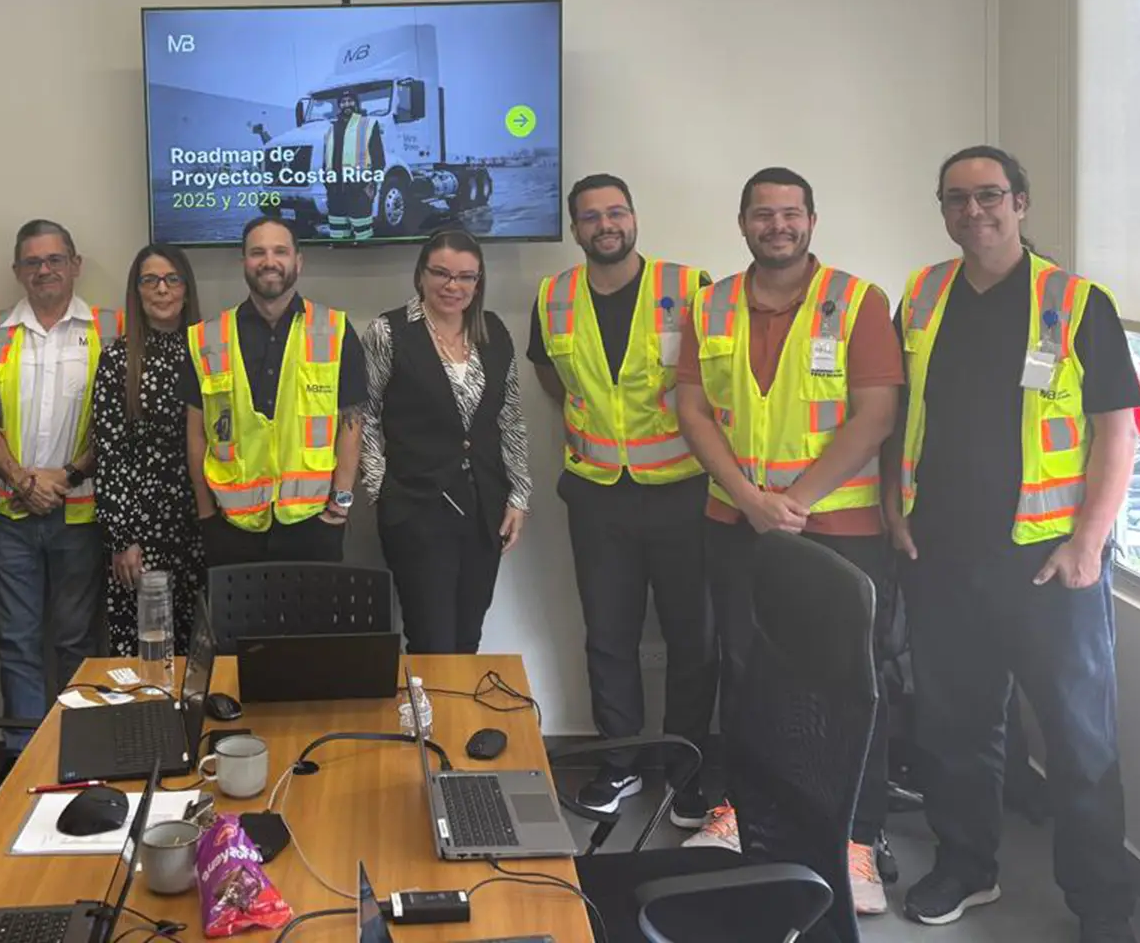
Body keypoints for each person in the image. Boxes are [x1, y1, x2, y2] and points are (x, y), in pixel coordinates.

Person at [887, 146, 1140, 942]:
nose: (974, 212)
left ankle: (1102, 907)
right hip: (942, 555)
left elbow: (1118, 432)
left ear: (1020, 203)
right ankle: (967, 867)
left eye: (990, 195)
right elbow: (900, 413)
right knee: (954, 728)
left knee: (1080, 742)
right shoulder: (922, 296)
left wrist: (1088, 542)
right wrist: (895, 507)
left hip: (1049, 564)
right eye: (956, 199)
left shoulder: (1078, 302)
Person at [672, 166, 903, 914]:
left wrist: (791, 503)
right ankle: (742, 811)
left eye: (791, 213)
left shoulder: (859, 301)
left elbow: (875, 416)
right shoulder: (710, 305)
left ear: (811, 220)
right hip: (736, 522)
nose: (778, 226)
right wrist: (750, 500)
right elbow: (692, 408)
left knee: (852, 685)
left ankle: (857, 840)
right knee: (744, 671)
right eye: (763, 214)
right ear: (742, 223)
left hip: (838, 528)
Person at [528, 174, 717, 823]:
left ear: (634, 218)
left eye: (616, 212)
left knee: (694, 637)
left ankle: (687, 771)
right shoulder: (553, 296)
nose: (605, 225)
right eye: (591, 216)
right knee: (608, 636)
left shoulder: (690, 288)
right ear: (575, 229)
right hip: (598, 494)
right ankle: (621, 764)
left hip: (684, 491)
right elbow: (550, 375)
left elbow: (716, 378)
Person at [0, 220, 120, 740]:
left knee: (77, 642)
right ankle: (23, 760)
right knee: (17, 643)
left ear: (76, 265)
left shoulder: (110, 327)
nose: (44, 270)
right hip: (11, 514)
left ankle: (80, 752)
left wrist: (68, 475)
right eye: (32, 262)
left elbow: (119, 421)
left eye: (55, 259)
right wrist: (22, 480)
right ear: (17, 271)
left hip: (81, 513)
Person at [360, 228, 531, 654]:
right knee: (430, 638)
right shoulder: (388, 332)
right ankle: (428, 704)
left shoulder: (493, 331)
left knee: (468, 635)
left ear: (478, 281)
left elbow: (509, 416)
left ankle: (459, 704)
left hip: (484, 507)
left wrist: (519, 496)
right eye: (441, 273)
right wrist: (381, 491)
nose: (453, 286)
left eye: (466, 277)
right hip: (416, 508)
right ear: (421, 274)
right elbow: (365, 417)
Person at [182, 215, 368, 566]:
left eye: (280, 251)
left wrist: (340, 507)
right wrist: (206, 515)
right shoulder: (207, 338)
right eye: (258, 252)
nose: (269, 261)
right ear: (244, 262)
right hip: (231, 528)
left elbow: (352, 425)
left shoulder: (335, 329)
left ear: (298, 261)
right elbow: (196, 433)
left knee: (315, 607)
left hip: (314, 525)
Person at [91, 244, 207, 657]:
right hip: (141, 531)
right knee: (146, 653)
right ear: (136, 291)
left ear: (186, 289)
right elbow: (110, 453)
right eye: (150, 280)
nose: (162, 289)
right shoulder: (118, 359)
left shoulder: (211, 353)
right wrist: (123, 539)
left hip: (202, 523)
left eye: (172, 279)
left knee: (202, 652)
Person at [324, 88, 386, 242]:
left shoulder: (368, 124)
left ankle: (364, 254)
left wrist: (371, 184)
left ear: (357, 103)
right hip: (335, 189)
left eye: (350, 101)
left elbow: (379, 159)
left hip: (359, 188)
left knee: (362, 231)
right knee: (337, 232)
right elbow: (326, 158)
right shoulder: (331, 128)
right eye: (343, 102)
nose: (347, 104)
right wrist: (326, 181)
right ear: (339, 106)